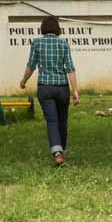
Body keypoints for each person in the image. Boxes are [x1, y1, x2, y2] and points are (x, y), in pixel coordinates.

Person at [19, 15, 79, 167]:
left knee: (52, 121)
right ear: (57, 28)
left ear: (43, 28)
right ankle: (62, 150)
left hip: (45, 88)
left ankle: (57, 153)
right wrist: (75, 90)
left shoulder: (37, 43)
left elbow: (31, 65)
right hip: (62, 88)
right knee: (62, 121)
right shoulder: (63, 44)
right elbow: (70, 68)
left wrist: (23, 80)